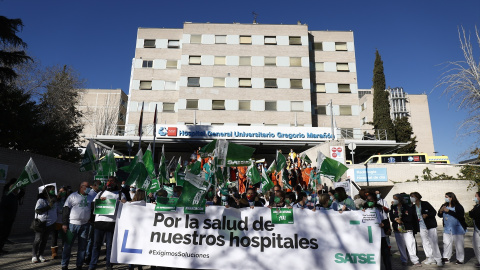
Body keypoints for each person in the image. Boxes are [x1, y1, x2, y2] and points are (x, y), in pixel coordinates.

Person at [89, 177, 126, 270]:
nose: (109, 183)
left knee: (110, 246)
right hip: (99, 222)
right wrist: (100, 201)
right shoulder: (100, 193)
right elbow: (93, 205)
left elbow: (126, 207)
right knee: (96, 245)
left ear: (116, 183)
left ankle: (109, 265)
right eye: (108, 181)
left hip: (112, 223)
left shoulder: (121, 194)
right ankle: (92, 265)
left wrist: (121, 202)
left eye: (112, 181)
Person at [61, 181, 94, 270]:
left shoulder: (91, 197)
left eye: (89, 187)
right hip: (72, 225)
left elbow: (94, 208)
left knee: (82, 247)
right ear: (81, 187)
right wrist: (64, 223)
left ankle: (79, 265)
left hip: (85, 225)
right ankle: (64, 264)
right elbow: (65, 210)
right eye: (87, 187)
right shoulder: (72, 196)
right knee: (68, 246)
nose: (88, 189)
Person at [410, 192, 442, 266]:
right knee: (425, 243)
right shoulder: (413, 207)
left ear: (417, 197)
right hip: (421, 227)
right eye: (410, 196)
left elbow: (434, 212)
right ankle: (430, 258)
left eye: (412, 196)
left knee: (433, 242)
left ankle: (438, 259)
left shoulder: (425, 203)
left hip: (430, 226)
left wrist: (427, 215)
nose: (411, 198)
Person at [389, 194, 421, 267]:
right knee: (401, 245)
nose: (394, 200)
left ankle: (415, 260)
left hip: (407, 228)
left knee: (410, 244)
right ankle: (404, 259)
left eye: (396, 199)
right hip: (397, 229)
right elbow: (391, 216)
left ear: (400, 199)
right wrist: (396, 219)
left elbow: (410, 217)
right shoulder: (393, 207)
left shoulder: (407, 207)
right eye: (394, 199)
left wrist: (402, 221)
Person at [363, 194, 392, 270]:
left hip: (380, 235)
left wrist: (384, 225)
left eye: (371, 200)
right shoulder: (363, 209)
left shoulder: (380, 209)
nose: (370, 202)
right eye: (368, 200)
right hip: (369, 236)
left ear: (375, 200)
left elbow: (385, 220)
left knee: (385, 254)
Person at [438, 192, 467, 264]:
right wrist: (441, 211)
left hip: (457, 228)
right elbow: (439, 215)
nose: (446, 198)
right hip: (447, 228)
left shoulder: (458, 206)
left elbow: (460, 216)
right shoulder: (444, 205)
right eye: (445, 197)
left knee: (459, 244)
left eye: (447, 197)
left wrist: (449, 211)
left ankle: (460, 259)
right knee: (446, 243)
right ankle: (446, 257)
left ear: (451, 198)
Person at [32, 184, 57, 263]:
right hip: (41, 223)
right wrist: (48, 206)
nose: (53, 191)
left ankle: (41, 255)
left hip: (50, 223)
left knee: (45, 240)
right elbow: (38, 210)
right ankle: (34, 255)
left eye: (54, 189)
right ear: (47, 191)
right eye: (52, 189)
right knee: (38, 240)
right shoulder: (41, 200)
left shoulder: (53, 200)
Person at [0, 178, 25, 255]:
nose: (18, 190)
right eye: (17, 188)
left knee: (5, 235)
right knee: (1, 234)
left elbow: (20, 196)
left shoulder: (14, 196)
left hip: (10, 219)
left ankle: (1, 248)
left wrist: (23, 190)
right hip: (4, 220)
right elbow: (3, 208)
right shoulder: (7, 195)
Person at [51, 186, 68, 259]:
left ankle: (64, 251)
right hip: (56, 220)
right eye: (60, 191)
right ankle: (54, 253)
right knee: (54, 237)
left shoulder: (68, 199)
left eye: (63, 191)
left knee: (64, 237)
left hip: (64, 221)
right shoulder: (56, 199)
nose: (62, 193)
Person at [469, 191, 480, 268]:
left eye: (476, 196)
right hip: (476, 228)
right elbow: (471, 214)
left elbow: (474, 214)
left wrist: (473, 211)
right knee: (476, 245)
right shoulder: (476, 206)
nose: (475, 198)